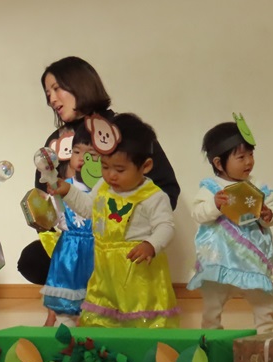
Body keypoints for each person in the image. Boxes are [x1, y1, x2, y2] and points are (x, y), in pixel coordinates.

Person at [19, 57, 180, 292]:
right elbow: (44, 194)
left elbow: (167, 187)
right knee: (32, 260)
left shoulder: (122, 130)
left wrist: (136, 228)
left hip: (120, 236)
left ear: (80, 84)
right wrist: (42, 216)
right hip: (73, 235)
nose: (51, 99)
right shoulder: (55, 141)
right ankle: (75, 299)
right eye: (47, 93)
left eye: (57, 88)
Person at [52, 113, 179, 329]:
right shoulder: (103, 187)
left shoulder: (153, 196)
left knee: (142, 321)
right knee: (101, 319)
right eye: (105, 166)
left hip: (138, 273)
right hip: (105, 271)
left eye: (120, 169)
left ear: (146, 166)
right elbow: (88, 208)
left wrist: (151, 244)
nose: (111, 175)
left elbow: (166, 226)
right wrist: (67, 191)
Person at [187, 118, 273, 333]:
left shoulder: (257, 187)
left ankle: (264, 334)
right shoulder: (211, 188)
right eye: (241, 157)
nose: (249, 162)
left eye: (251, 155)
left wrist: (269, 214)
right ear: (219, 163)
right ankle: (211, 335)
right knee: (212, 303)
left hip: (252, 258)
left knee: (263, 301)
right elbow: (198, 213)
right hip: (219, 258)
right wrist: (214, 205)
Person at [40, 125, 95, 327]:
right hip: (69, 251)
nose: (81, 159)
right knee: (66, 297)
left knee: (94, 297)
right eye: (77, 152)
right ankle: (63, 327)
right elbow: (54, 217)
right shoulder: (63, 185)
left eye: (91, 155)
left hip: (96, 250)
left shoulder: (103, 189)